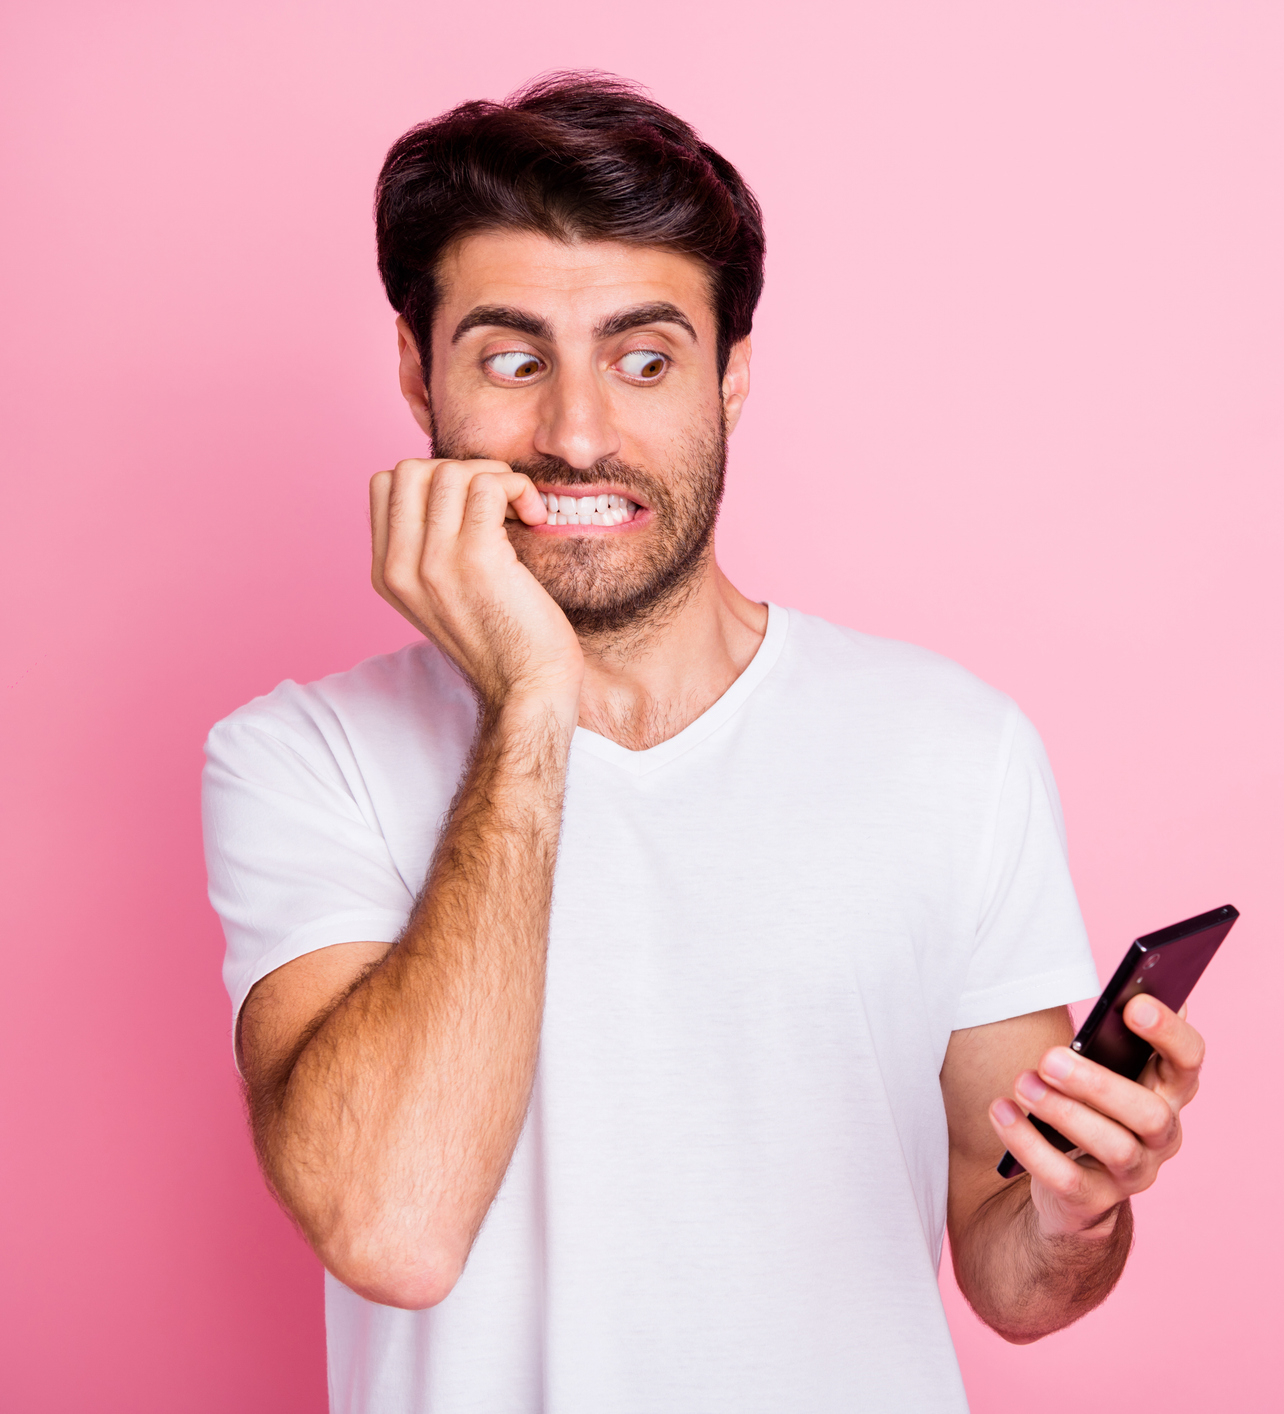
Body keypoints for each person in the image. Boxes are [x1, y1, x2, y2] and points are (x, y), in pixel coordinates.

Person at [200, 71, 1208, 1413]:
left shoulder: (949, 748)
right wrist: (530, 699)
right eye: (511, 359)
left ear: (730, 375)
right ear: (414, 371)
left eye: (643, 359)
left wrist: (1079, 1211)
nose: (573, 433)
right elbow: (395, 1226)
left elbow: (1013, 1274)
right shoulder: (302, 758)